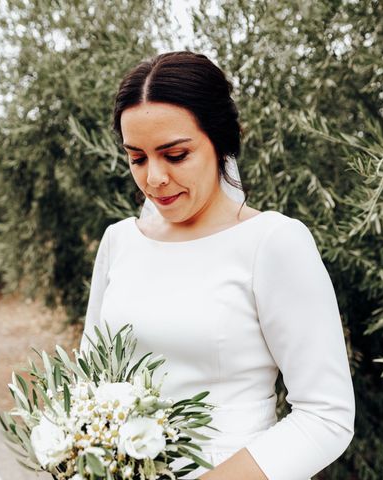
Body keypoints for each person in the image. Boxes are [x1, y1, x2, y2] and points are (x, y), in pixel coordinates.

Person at [79, 51, 355, 480]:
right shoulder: (119, 242)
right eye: (137, 158)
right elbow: (87, 383)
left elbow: (326, 416)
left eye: (175, 155)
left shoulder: (274, 243)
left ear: (221, 141)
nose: (153, 178)